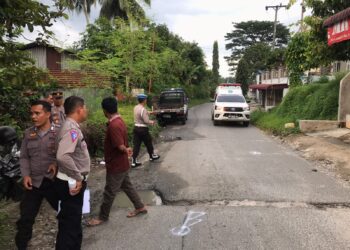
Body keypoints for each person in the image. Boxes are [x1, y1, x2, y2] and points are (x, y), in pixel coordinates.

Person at [87, 97, 147, 227]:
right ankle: (140, 206)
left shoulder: (113, 125)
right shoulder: (119, 120)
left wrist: (126, 150)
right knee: (127, 186)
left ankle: (102, 217)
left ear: (104, 110)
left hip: (116, 165)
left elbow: (120, 145)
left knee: (109, 192)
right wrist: (126, 150)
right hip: (122, 163)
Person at [15, 100, 59, 250]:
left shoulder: (59, 132)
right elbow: (24, 157)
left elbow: (67, 154)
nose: (33, 116)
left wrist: (56, 163)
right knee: (25, 218)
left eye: (37, 113)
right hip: (34, 182)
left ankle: (68, 242)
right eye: (32, 113)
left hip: (52, 181)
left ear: (47, 114)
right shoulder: (29, 133)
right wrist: (26, 175)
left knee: (66, 212)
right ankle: (21, 246)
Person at [54, 96, 90, 250]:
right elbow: (62, 156)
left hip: (70, 181)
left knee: (72, 222)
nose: (86, 110)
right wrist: (78, 176)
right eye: (85, 107)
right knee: (70, 225)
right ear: (79, 109)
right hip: (72, 183)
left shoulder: (68, 125)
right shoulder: (72, 129)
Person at [131, 94, 160, 168]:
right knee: (148, 142)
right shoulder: (143, 109)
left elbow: (142, 113)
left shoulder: (136, 107)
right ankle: (152, 156)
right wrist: (152, 122)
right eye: (146, 99)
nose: (146, 100)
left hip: (136, 128)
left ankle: (134, 161)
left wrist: (150, 112)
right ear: (144, 100)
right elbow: (146, 120)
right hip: (143, 129)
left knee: (136, 145)